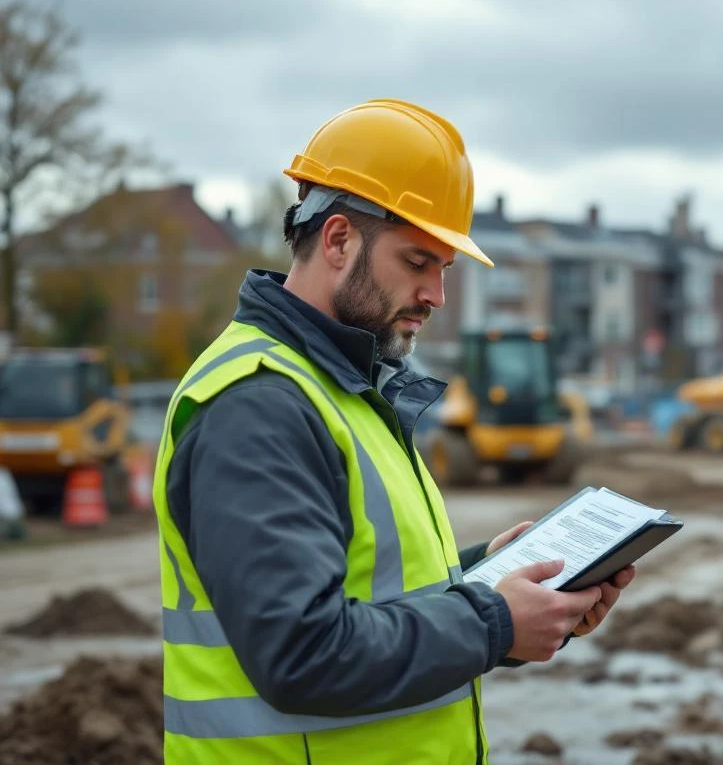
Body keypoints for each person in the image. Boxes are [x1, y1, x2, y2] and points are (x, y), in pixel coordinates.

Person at [152, 98, 636, 764]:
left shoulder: (344, 391)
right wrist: (493, 620)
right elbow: (303, 654)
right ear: (339, 240)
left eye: (444, 268)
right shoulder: (258, 403)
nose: (436, 294)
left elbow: (375, 595)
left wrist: (492, 580)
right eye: (417, 262)